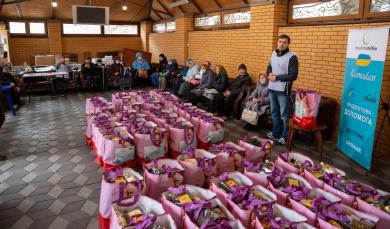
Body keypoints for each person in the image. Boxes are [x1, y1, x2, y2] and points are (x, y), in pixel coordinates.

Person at [266, 34, 299, 145]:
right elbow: (269, 67)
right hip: (272, 88)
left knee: (284, 115)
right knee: (274, 112)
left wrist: (277, 77)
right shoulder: (273, 54)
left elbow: (293, 75)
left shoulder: (292, 57)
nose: (281, 44)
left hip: (283, 90)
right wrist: (269, 73)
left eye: (284, 42)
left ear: (288, 44)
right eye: (280, 41)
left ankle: (284, 137)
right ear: (277, 42)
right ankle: (276, 133)